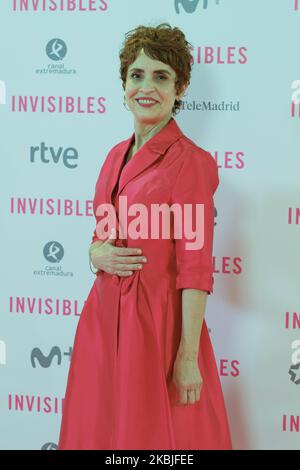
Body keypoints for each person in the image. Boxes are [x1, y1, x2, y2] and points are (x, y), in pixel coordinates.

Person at [57, 23, 232, 450]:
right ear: (124, 84)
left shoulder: (191, 163)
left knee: (158, 441)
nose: (146, 86)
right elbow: (100, 239)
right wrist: (94, 254)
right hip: (102, 320)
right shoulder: (113, 156)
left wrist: (187, 356)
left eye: (161, 76)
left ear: (181, 87)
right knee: (100, 432)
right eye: (137, 75)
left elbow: (195, 268)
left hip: (157, 327)